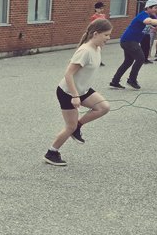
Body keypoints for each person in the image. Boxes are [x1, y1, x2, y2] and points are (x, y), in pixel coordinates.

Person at [44, 19, 112, 167]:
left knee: (104, 107)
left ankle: (78, 127)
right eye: (106, 35)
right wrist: (75, 96)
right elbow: (68, 74)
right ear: (96, 33)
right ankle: (52, 152)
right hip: (68, 92)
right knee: (70, 126)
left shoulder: (97, 48)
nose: (108, 38)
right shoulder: (85, 51)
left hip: (83, 90)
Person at [109, 0, 157, 90]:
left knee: (128, 62)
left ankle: (115, 81)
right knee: (141, 58)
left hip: (129, 41)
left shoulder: (152, 17)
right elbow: (148, 21)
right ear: (148, 8)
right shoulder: (143, 15)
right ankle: (132, 79)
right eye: (155, 7)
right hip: (129, 41)